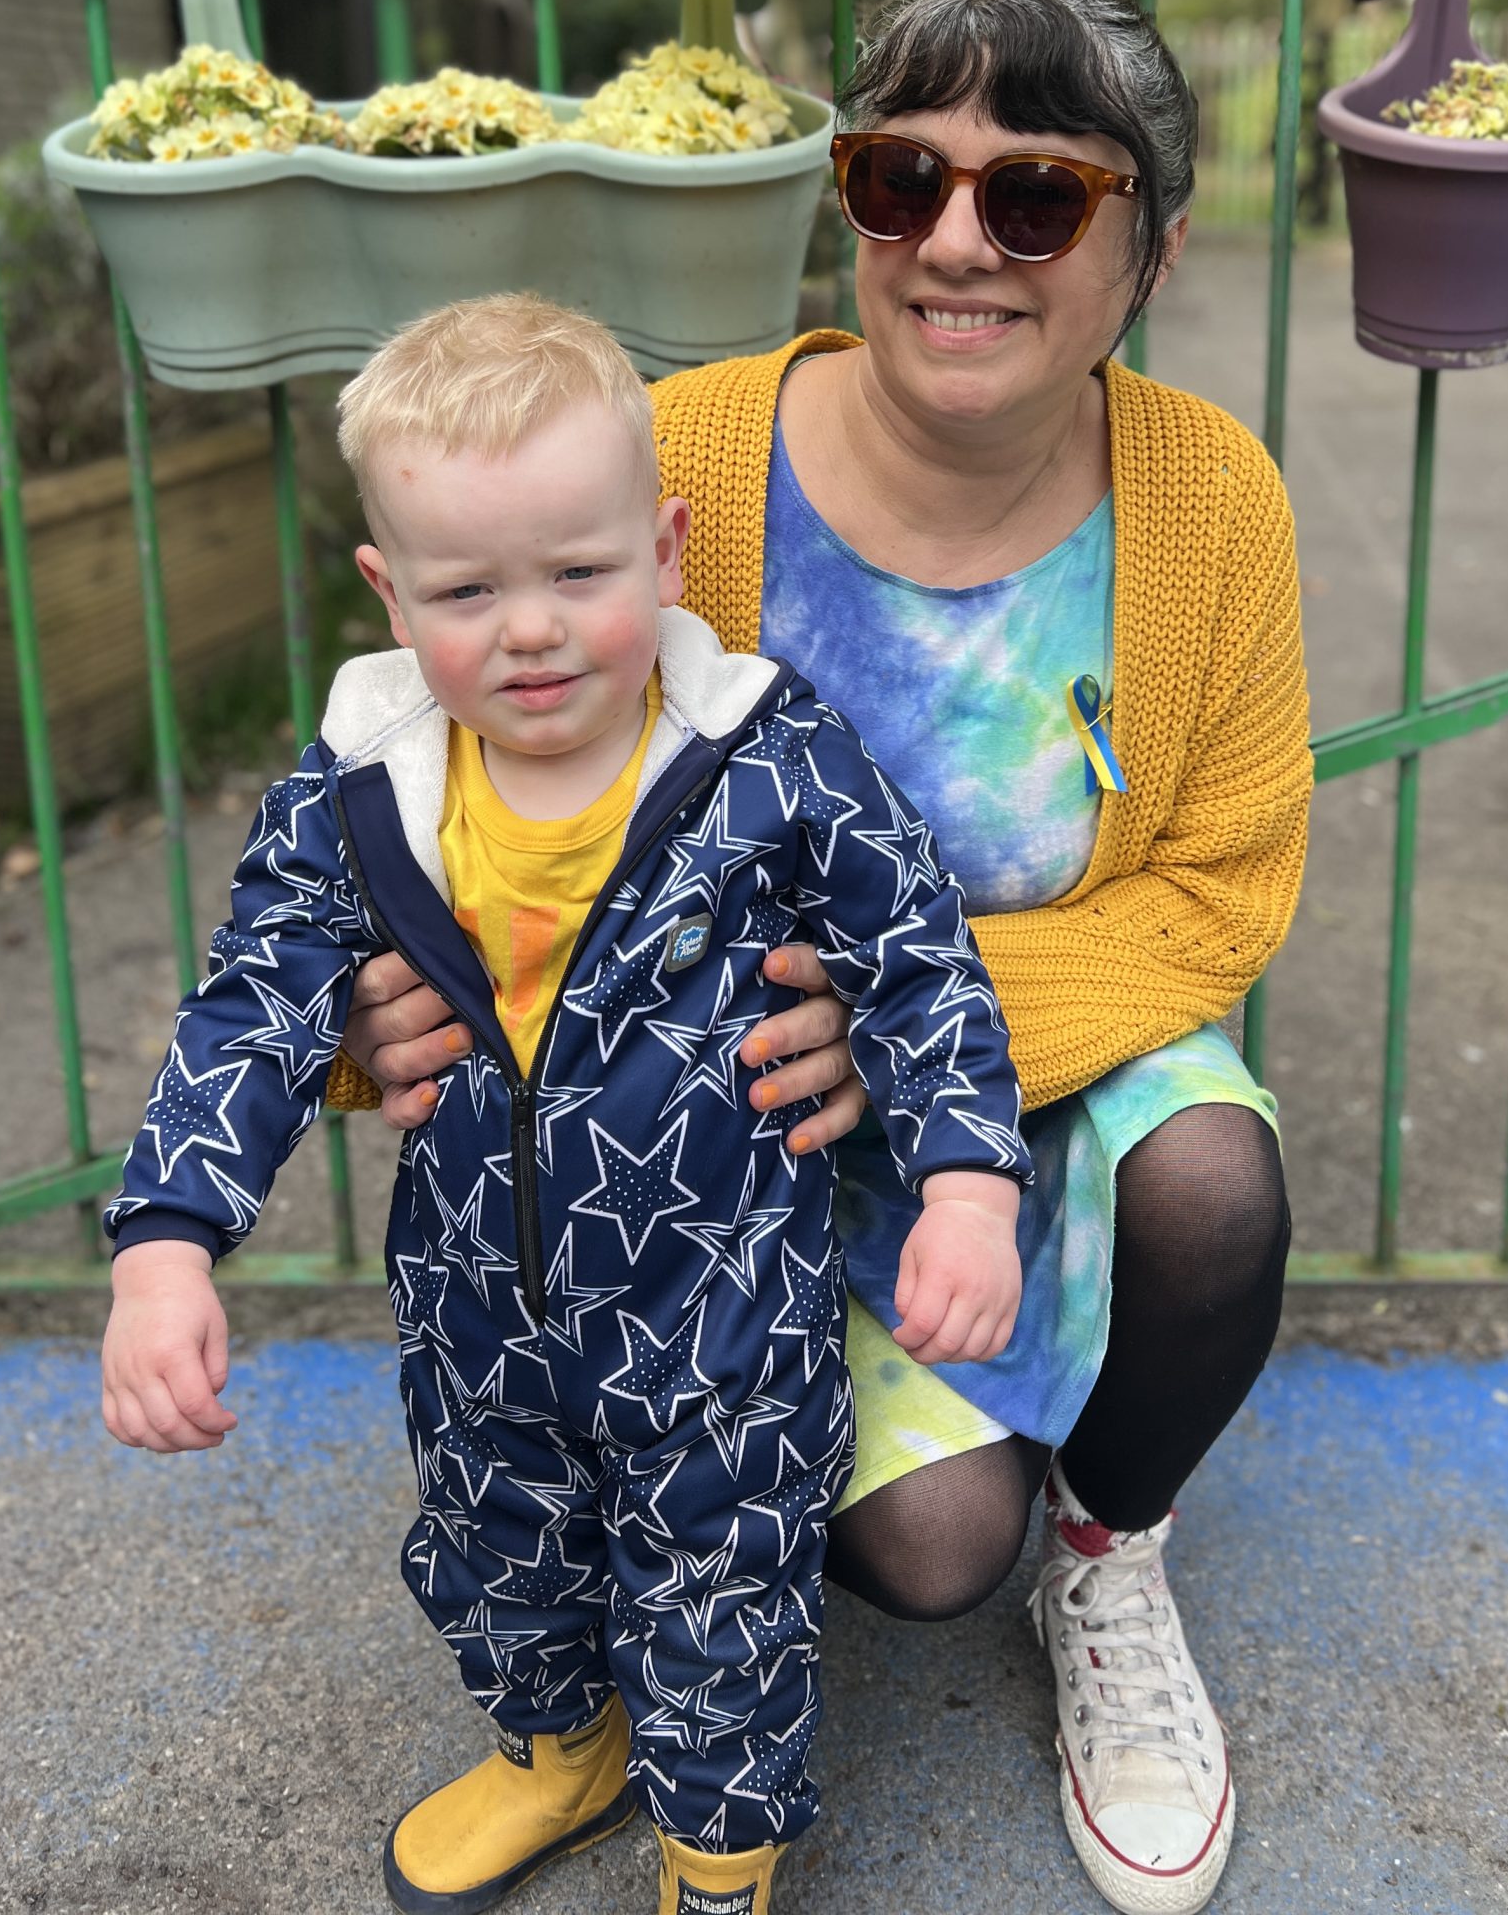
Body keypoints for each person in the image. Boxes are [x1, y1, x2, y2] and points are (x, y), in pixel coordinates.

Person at [338, 0, 1312, 1915]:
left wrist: (919, 1020)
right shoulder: (677, 457)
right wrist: (381, 1006)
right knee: (932, 1551)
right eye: (901, 176)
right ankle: (668, 1577)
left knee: (1217, 1181)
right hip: (734, 1129)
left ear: (1152, 249)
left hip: (1054, 1047)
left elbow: (1222, 885)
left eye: (1036, 194)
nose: (956, 239)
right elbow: (447, 776)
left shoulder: (1211, 500)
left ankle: (1111, 1548)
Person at [99, 294, 1032, 1915]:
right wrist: (165, 1246)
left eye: (579, 574)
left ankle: (722, 1855)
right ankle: (561, 1751)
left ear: (665, 551)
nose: (530, 630)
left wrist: (968, 1183)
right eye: (468, 591)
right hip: (478, 1315)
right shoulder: (363, 784)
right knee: (496, 1550)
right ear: (391, 595)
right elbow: (254, 1001)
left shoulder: (767, 756)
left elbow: (919, 959)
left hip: (719, 1313)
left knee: (722, 1588)